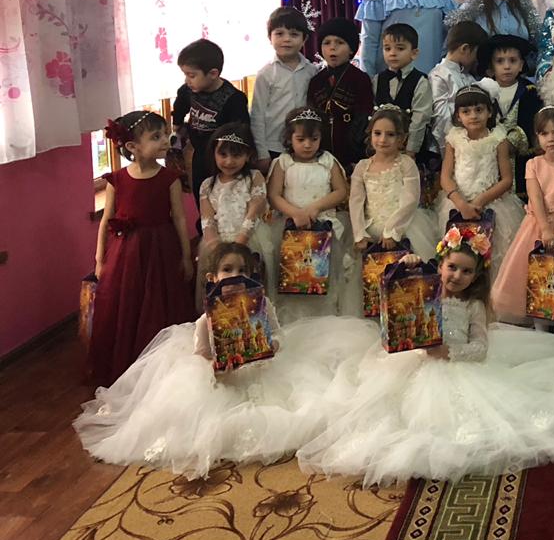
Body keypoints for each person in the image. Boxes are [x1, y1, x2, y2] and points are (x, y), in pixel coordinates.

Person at [297, 233, 554, 485]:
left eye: (467, 271)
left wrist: (448, 353)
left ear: (476, 276)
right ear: (440, 264)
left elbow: (480, 348)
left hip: (456, 366)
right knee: (388, 412)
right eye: (452, 267)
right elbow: (390, 293)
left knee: (459, 422)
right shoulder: (425, 288)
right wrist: (404, 266)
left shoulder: (473, 306)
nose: (457, 276)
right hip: (412, 362)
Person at [75, 242, 372, 479]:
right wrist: (218, 367)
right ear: (213, 278)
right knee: (209, 420)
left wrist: (271, 344)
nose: (234, 276)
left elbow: (278, 334)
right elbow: (202, 354)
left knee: (306, 404)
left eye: (242, 270)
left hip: (262, 367)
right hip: (225, 376)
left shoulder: (262, 305)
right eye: (227, 270)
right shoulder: (206, 320)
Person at [90, 112, 195, 386]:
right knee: (128, 303)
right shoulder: (116, 180)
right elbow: (106, 220)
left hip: (161, 249)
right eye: (156, 137)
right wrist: (100, 259)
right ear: (132, 146)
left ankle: (163, 365)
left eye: (165, 134)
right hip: (126, 253)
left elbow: (179, 218)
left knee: (159, 303)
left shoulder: (170, 178)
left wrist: (186, 256)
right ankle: (129, 363)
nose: (165, 141)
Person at [491, 106, 554, 326]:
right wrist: (545, 228)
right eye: (544, 133)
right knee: (535, 277)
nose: (550, 138)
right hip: (536, 225)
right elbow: (535, 197)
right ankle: (539, 327)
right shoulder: (533, 164)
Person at [266, 107, 350, 323]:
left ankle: (325, 318)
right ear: (289, 138)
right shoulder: (283, 162)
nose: (307, 145)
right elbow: (274, 195)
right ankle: (292, 320)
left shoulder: (328, 161)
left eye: (314, 139)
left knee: (323, 276)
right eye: (300, 139)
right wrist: (295, 213)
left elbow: (341, 191)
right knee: (294, 276)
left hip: (324, 227)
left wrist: (315, 208)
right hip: (291, 228)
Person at [436, 86, 524, 273]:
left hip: (491, 204)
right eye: (466, 111)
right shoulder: (454, 139)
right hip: (457, 205)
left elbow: (507, 180)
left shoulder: (498, 139)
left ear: (489, 112)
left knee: (491, 259)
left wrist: (480, 201)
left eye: (479, 110)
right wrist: (461, 204)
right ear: (458, 116)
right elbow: (445, 177)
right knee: (457, 254)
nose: (473, 116)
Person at [349, 105, 434, 266]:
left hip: (403, 227)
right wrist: (359, 233)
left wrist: (393, 231)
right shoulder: (362, 167)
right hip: (370, 230)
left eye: (390, 134)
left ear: (402, 138)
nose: (382, 140)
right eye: (377, 133)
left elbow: (411, 199)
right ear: (370, 134)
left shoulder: (406, 164)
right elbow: (355, 201)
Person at [173, 39, 250, 214]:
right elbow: (180, 106)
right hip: (200, 155)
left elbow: (241, 130)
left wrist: (232, 156)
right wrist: (177, 124)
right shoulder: (187, 90)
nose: (187, 80)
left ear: (213, 73)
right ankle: (204, 227)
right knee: (202, 195)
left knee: (225, 198)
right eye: (185, 75)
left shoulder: (233, 98)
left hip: (224, 157)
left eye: (192, 75)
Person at [197, 124, 270, 288]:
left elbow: (254, 212)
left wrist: (238, 245)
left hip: (248, 240)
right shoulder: (207, 185)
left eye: (236, 155)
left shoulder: (254, 178)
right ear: (214, 153)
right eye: (223, 154)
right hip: (218, 245)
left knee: (250, 288)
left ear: (248, 155)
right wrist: (217, 250)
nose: (229, 161)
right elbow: (207, 221)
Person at [249, 7, 319, 170]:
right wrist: (262, 152)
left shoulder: (312, 71)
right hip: (274, 145)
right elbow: (257, 115)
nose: (286, 39)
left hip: (303, 144)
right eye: (279, 34)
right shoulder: (266, 74)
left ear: (304, 39)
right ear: (270, 38)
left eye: (294, 34)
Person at [476, 34, 543, 196]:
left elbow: (532, 121)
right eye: (500, 61)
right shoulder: (483, 91)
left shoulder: (529, 91)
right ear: (491, 67)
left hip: (521, 157)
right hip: (490, 155)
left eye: (513, 61)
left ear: (521, 65)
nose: (507, 66)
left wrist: (511, 142)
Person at [307, 18, 374, 171]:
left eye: (340, 42)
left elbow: (364, 114)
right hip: (321, 150)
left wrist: (355, 144)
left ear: (351, 49)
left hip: (351, 151)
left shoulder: (360, 79)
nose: (332, 47)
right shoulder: (316, 81)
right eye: (327, 43)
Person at [373, 24, 432, 166]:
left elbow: (420, 118)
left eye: (400, 48)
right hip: (382, 146)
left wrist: (411, 150)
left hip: (409, 149)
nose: (392, 53)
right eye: (387, 48)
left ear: (414, 53)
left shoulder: (421, 81)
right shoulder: (377, 79)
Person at [427, 19, 485, 158]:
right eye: (476, 54)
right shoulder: (438, 75)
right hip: (447, 150)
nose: (476, 60)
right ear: (465, 49)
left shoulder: (469, 78)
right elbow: (441, 119)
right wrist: (452, 152)